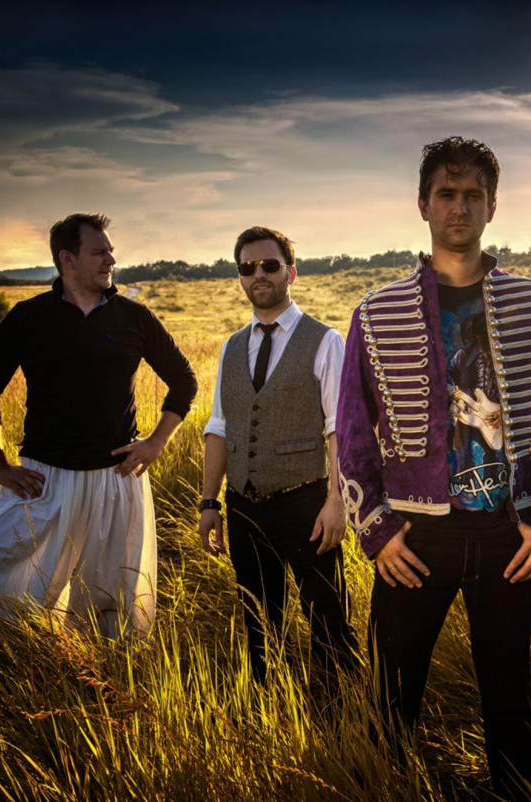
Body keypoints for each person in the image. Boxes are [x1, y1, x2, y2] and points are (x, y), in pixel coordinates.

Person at [337, 137, 531, 799]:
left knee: (510, 700)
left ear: (492, 206)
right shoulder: (376, 312)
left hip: (508, 533)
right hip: (416, 536)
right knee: (389, 702)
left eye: (473, 195)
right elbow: (352, 432)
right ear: (423, 204)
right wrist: (377, 532)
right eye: (447, 193)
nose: (460, 207)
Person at [0, 213, 197, 638]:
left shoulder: (134, 317)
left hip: (115, 479)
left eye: (111, 252)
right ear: (67, 259)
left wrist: (156, 442)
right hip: (41, 479)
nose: (111, 260)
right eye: (99, 252)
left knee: (109, 600)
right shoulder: (28, 317)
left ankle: (101, 673)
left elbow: (184, 380)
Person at [197, 226, 358, 685]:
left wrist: (337, 501)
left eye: (269, 265)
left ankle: (341, 707)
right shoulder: (231, 347)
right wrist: (209, 502)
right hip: (243, 506)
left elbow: (338, 428)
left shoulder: (325, 341)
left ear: (291, 272)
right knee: (259, 622)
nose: (259, 275)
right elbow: (219, 428)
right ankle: (272, 704)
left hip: (305, 502)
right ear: (240, 277)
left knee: (327, 617)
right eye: (247, 267)